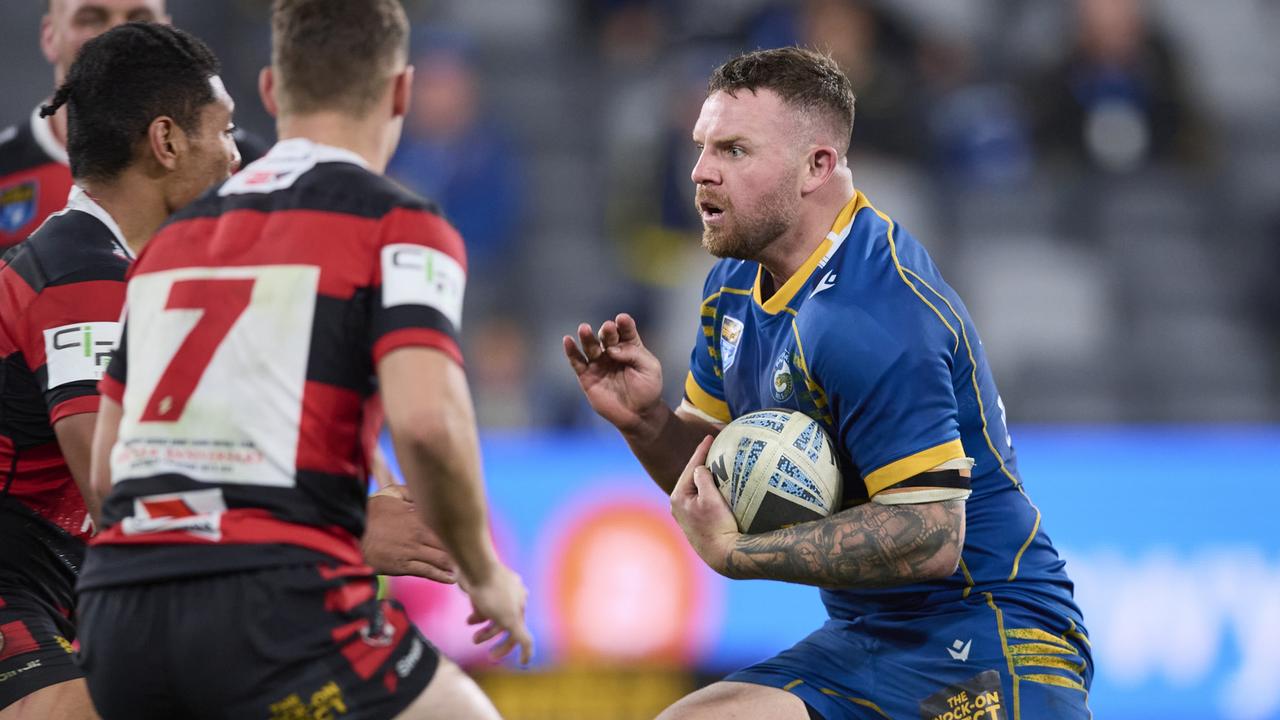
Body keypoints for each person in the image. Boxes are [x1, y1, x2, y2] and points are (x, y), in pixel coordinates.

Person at [565, 47, 1093, 719]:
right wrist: (645, 421)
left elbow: (932, 533)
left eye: (733, 150)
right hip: (868, 641)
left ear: (816, 165)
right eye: (700, 146)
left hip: (992, 635)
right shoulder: (732, 282)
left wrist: (740, 555)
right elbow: (716, 469)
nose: (699, 172)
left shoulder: (874, 310)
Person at [78, 1, 532, 719]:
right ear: (401, 93)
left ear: (268, 92)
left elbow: (106, 473)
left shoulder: (169, 242)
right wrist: (486, 576)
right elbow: (427, 422)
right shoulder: (399, 222)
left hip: (117, 624)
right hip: (274, 614)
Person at [0, 21, 241, 720]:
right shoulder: (83, 279)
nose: (234, 156)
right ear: (166, 141)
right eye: (223, 133)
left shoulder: (128, 275)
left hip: (56, 586)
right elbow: (123, 498)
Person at [0, 0, 267, 251]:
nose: (118, 35)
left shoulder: (249, 168)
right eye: (91, 19)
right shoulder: (6, 169)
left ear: (167, 33)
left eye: (140, 19)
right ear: (49, 36)